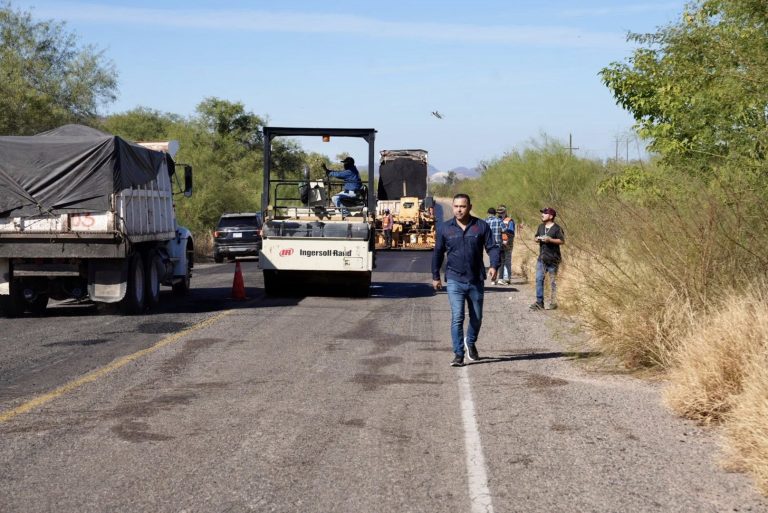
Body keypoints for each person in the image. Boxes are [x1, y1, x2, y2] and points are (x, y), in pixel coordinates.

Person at [432, 194, 500, 367]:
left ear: (470, 207)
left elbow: (492, 247)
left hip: (475, 279)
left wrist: (493, 265)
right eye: (456, 206)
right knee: (458, 317)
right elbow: (438, 253)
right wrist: (435, 276)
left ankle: (470, 342)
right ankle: (458, 354)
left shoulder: (481, 226)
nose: (459, 210)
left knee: (477, 318)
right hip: (454, 279)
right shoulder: (445, 228)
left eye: (462, 206)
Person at [530, 207, 565, 311]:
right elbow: (536, 236)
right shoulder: (541, 226)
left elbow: (562, 241)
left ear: (551, 216)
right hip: (541, 259)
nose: (542, 215)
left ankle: (553, 302)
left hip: (553, 259)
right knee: (539, 279)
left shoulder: (557, 228)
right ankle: (539, 302)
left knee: (553, 281)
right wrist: (537, 239)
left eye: (545, 213)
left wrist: (550, 240)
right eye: (542, 213)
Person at [484, 207, 504, 285]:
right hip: (497, 244)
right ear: (495, 213)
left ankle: (493, 276)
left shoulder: (484, 221)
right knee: (497, 261)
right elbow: (504, 229)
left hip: (487, 244)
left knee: (492, 259)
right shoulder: (499, 221)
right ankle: (494, 277)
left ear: (488, 213)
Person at [497, 205, 515, 285]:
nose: (500, 214)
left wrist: (504, 230)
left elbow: (511, 232)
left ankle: (507, 278)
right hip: (499, 244)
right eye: (499, 213)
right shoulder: (496, 220)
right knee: (499, 261)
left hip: (508, 244)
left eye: (502, 212)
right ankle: (501, 278)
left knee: (507, 260)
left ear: (505, 212)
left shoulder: (510, 221)